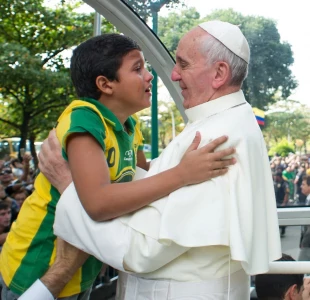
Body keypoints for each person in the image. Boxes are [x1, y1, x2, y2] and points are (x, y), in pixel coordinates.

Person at [21, 20, 281, 300]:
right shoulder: (221, 123)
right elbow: (163, 185)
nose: (173, 74)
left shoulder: (217, 140)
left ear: (219, 73)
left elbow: (141, 249)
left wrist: (70, 186)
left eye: (183, 64)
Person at [298, 175, 310, 261]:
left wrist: (305, 242)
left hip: (308, 242)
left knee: (300, 267)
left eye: (303, 184)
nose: (301, 186)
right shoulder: (307, 199)